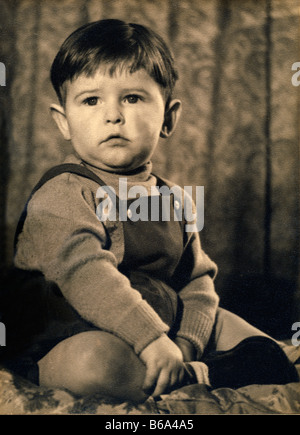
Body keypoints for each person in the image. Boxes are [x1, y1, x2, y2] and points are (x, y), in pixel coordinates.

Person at [11, 19, 298, 403]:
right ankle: (208, 375)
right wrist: (151, 341)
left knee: (253, 340)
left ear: (168, 117)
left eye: (132, 98)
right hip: (65, 332)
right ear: (63, 121)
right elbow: (86, 275)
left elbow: (196, 282)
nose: (113, 115)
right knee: (93, 364)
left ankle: (212, 365)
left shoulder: (174, 198)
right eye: (91, 100)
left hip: (163, 329)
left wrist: (186, 344)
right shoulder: (63, 194)